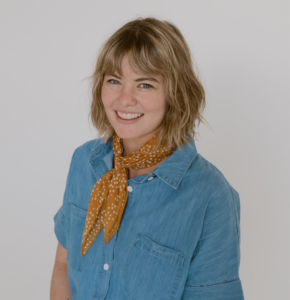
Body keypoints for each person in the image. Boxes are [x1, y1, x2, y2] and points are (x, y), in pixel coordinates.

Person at [50, 17, 245, 300]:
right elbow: (62, 263)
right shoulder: (85, 162)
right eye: (114, 80)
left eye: (145, 85)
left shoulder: (210, 196)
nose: (125, 99)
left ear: (175, 94)